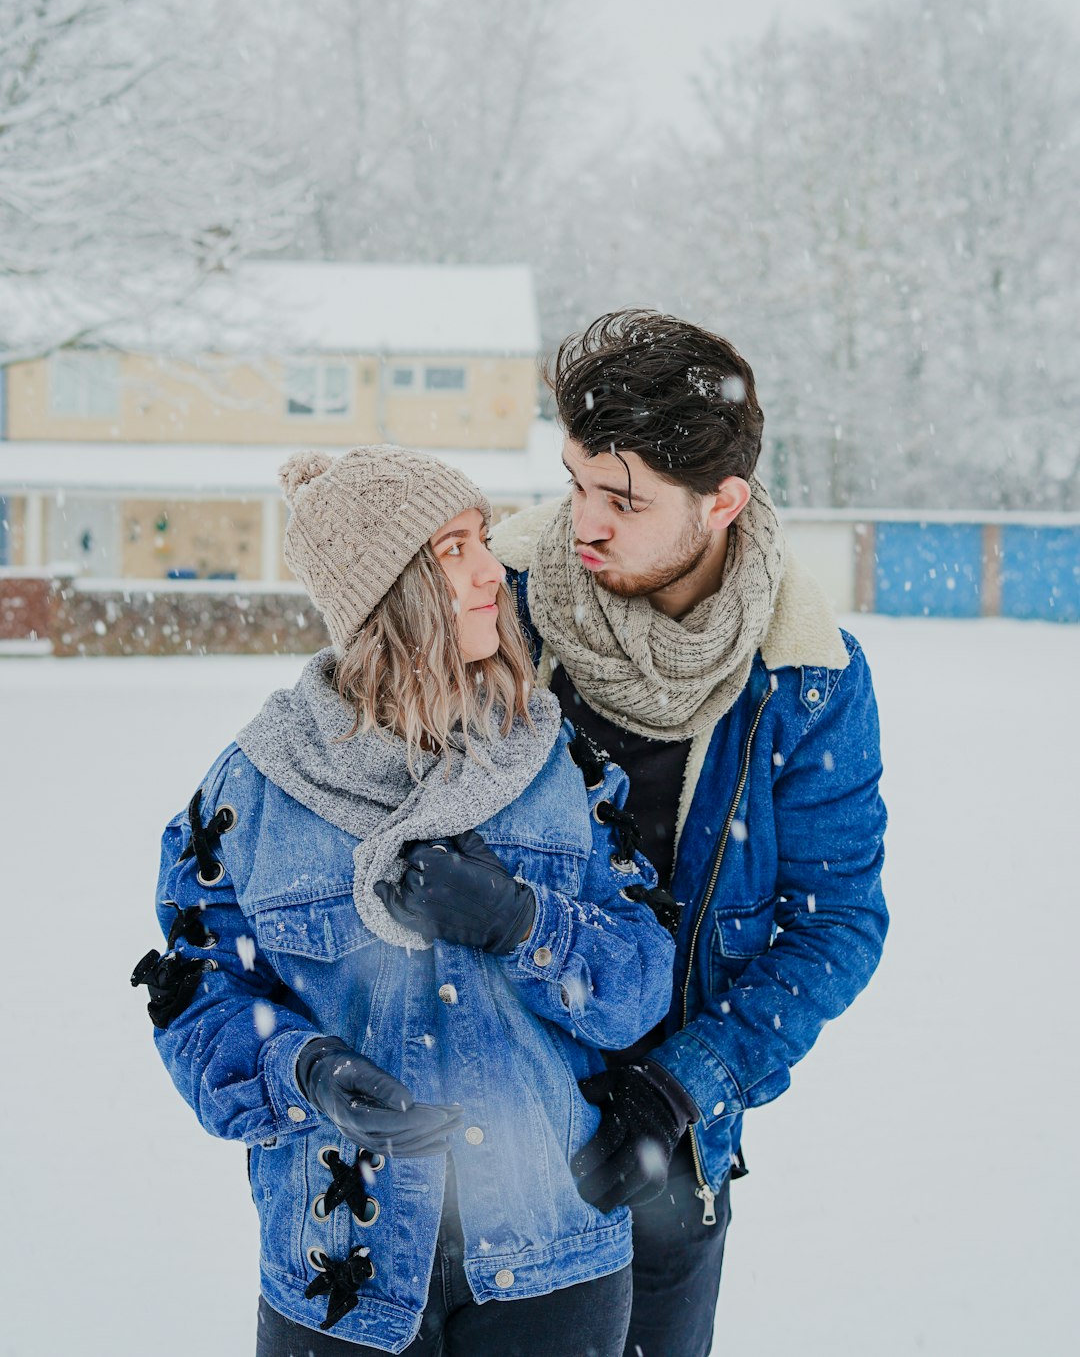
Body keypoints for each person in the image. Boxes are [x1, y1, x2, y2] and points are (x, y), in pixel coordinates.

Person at [132, 445, 677, 1356]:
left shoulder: (557, 772)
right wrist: (301, 1070)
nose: (487, 574)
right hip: (339, 1264)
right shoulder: (253, 793)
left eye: (480, 542)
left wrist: (521, 922)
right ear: (385, 596)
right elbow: (190, 988)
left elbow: (638, 989)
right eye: (451, 551)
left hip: (552, 1257)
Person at [489, 311, 890, 1357]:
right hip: (489, 1138)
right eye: (577, 483)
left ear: (722, 504)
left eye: (623, 499)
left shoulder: (808, 681)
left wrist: (686, 1084)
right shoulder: (499, 605)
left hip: (671, 1155)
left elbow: (836, 924)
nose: (585, 521)